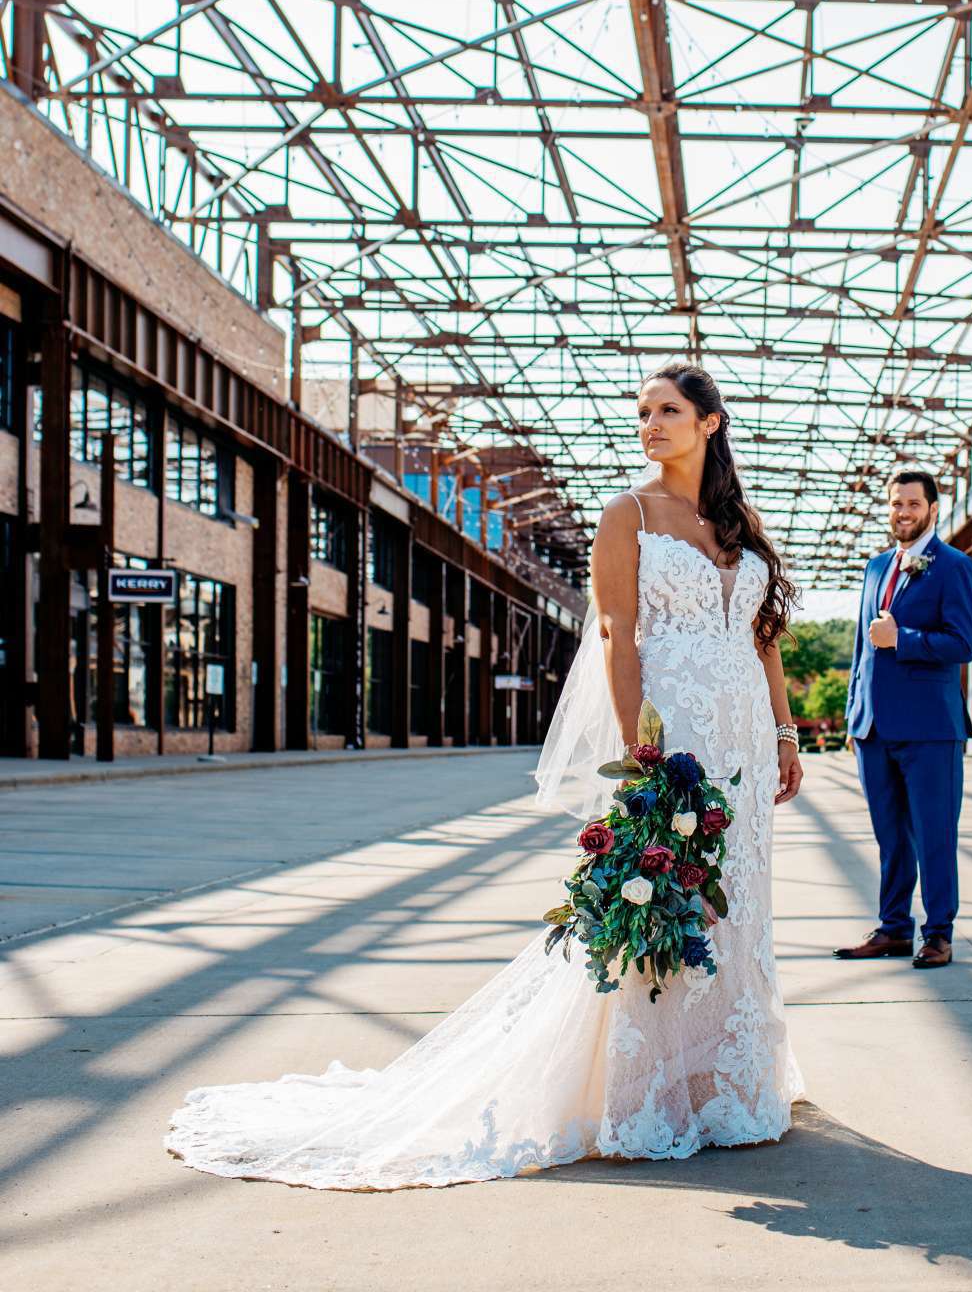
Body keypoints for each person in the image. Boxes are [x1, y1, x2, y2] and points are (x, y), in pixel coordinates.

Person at [164, 363, 804, 1190]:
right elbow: (614, 633)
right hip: (673, 731)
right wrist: (636, 747)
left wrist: (785, 732)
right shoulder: (629, 514)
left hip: (745, 744)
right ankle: (649, 1090)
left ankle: (727, 1079)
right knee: (667, 888)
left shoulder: (739, 522)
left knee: (736, 899)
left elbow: (764, 638)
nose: (649, 424)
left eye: (667, 411)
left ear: (709, 424)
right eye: (641, 411)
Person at [835, 468, 972, 971]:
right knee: (890, 838)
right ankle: (893, 927)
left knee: (935, 835)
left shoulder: (954, 567)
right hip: (874, 729)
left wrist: (906, 640)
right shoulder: (876, 567)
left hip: (930, 729)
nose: (902, 513)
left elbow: (963, 644)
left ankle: (938, 932)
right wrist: (855, 715)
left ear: (933, 509)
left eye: (912, 504)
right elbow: (861, 647)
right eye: (896, 504)